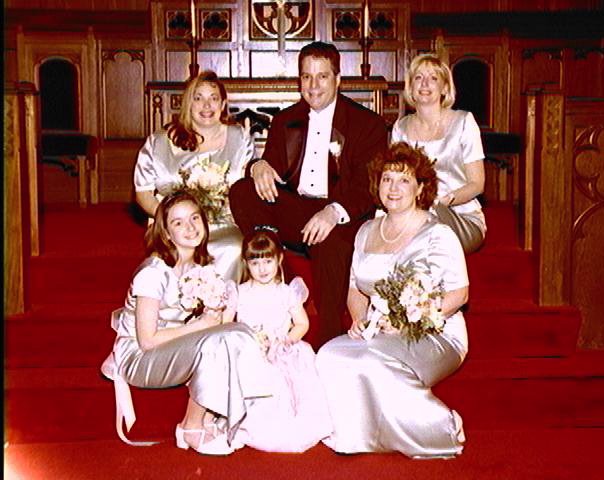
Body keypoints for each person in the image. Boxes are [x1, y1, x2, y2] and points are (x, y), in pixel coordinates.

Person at [229, 41, 388, 346]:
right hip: (297, 209)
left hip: (340, 214)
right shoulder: (285, 120)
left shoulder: (367, 124)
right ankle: (283, 274)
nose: (313, 86)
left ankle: (329, 340)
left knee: (330, 242)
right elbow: (272, 172)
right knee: (243, 191)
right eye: (306, 77)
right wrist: (258, 166)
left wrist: (333, 212)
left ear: (338, 79)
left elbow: (367, 189)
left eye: (322, 76)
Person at [316, 142, 468, 458]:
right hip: (379, 330)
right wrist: (358, 319)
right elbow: (356, 289)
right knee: (328, 355)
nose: (393, 188)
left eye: (403, 180)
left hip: (435, 334)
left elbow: (459, 294)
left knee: (372, 359)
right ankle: (357, 435)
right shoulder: (366, 231)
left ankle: (442, 426)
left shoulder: (438, 233)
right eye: (387, 179)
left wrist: (410, 321)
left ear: (420, 188)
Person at [100, 190, 271, 455]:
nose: (190, 227)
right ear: (166, 233)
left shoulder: (200, 268)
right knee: (216, 343)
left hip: (174, 346)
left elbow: (215, 327)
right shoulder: (153, 273)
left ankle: (213, 418)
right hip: (138, 357)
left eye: (194, 218)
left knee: (239, 333)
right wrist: (201, 326)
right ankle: (190, 427)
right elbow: (147, 341)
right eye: (178, 223)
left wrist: (226, 310)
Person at [134, 70, 254, 282]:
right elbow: (143, 193)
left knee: (234, 247)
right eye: (198, 98)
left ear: (223, 104)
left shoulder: (240, 139)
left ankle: (219, 301)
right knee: (174, 250)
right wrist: (169, 220)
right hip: (174, 226)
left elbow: (249, 189)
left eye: (213, 98)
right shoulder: (159, 141)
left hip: (223, 224)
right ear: (188, 104)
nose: (206, 106)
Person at [232, 229, 332, 452]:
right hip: (250, 350)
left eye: (268, 261)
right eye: (255, 263)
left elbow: (302, 323)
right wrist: (247, 340)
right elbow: (227, 326)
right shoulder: (239, 293)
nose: (262, 269)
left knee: (289, 377)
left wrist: (287, 340)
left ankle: (291, 424)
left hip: (281, 349)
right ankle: (247, 424)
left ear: (279, 259)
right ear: (246, 264)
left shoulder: (287, 292)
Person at [391, 54, 486, 253]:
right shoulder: (400, 128)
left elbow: (477, 184)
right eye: (418, 77)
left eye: (433, 78)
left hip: (460, 217)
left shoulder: (464, 122)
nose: (425, 83)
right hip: (413, 214)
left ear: (444, 88)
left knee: (421, 224)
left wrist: (444, 200)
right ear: (411, 87)